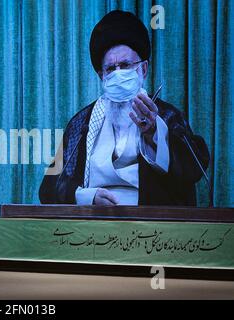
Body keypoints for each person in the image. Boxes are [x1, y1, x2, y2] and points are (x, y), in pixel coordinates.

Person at [39, 10, 209, 206]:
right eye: (111, 68)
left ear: (143, 69)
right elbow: (49, 187)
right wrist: (87, 197)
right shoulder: (82, 123)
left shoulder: (166, 116)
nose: (118, 74)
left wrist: (154, 133)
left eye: (126, 65)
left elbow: (194, 167)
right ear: (102, 75)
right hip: (92, 224)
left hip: (151, 228)